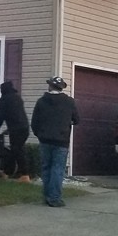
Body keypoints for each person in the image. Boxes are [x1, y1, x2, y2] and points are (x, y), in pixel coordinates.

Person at [30, 77, 80, 207]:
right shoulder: (69, 102)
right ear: (61, 88)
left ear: (50, 86)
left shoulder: (41, 101)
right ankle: (55, 198)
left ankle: (47, 196)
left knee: (46, 168)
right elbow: (77, 120)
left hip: (44, 140)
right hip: (61, 141)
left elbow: (34, 122)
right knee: (57, 169)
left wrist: (39, 134)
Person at [0, 80, 31, 183]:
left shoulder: (4, 100)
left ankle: (25, 175)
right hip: (24, 128)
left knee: (18, 151)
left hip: (16, 129)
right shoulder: (17, 98)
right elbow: (16, 115)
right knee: (15, 150)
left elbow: (0, 116)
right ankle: (7, 172)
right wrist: (9, 129)